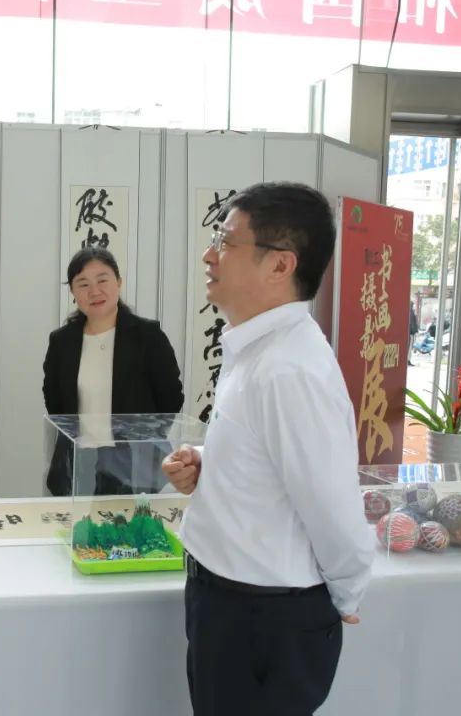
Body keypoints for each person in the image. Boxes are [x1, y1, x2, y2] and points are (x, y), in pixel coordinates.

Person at [162, 182, 375, 716]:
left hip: (262, 620)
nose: (209, 255)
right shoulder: (257, 348)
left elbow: (332, 506)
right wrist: (211, 464)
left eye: (226, 242)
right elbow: (275, 462)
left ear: (280, 264)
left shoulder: (288, 369)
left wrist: (346, 592)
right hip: (230, 606)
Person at [42, 247, 184, 496]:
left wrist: (143, 439)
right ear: (73, 292)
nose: (94, 291)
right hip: (77, 457)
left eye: (102, 280)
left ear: (118, 282)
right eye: (83, 284)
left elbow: (170, 398)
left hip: (133, 461)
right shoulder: (62, 341)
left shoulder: (148, 336)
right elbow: (54, 401)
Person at [409, 301, 418, 366]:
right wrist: (414, 331)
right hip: (410, 333)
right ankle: (408, 360)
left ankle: (407, 360)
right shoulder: (411, 312)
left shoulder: (408, 311)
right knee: (409, 347)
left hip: (408, 332)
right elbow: (412, 323)